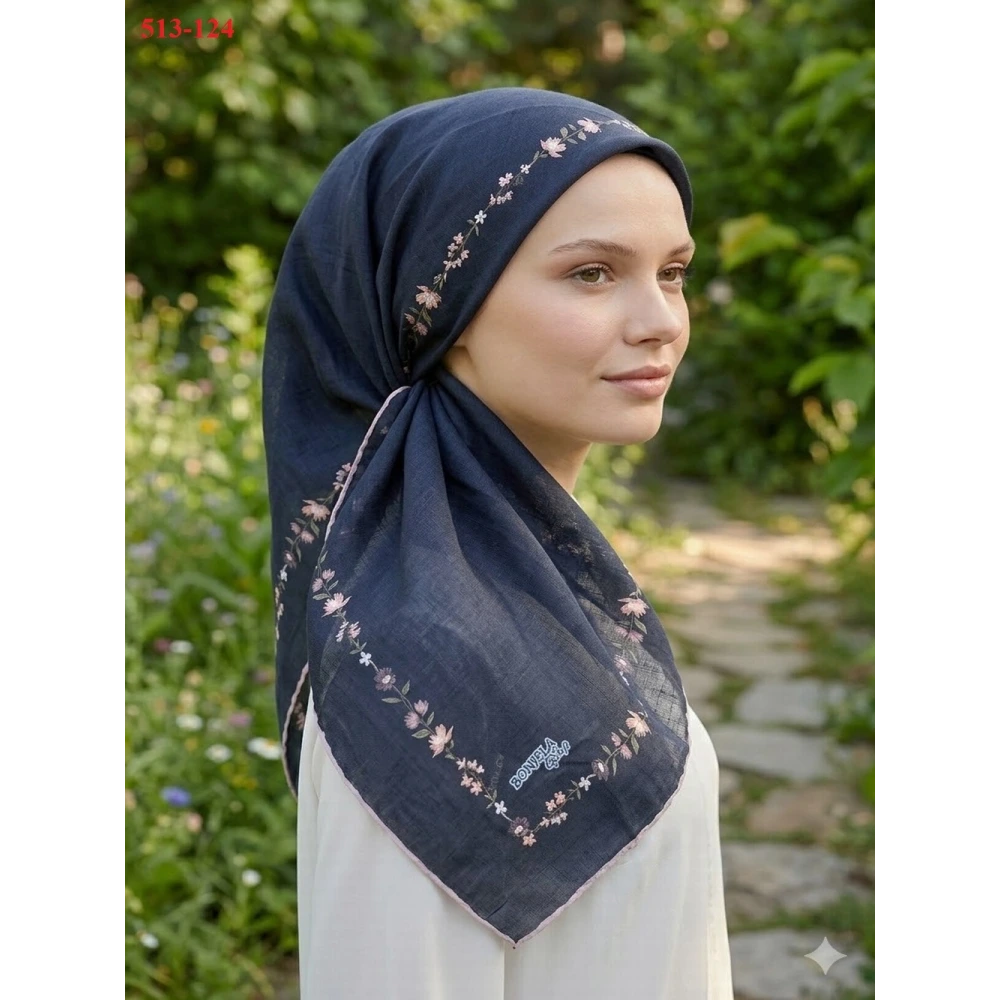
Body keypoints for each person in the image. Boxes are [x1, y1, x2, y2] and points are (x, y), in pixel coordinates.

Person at [262, 87, 734, 999]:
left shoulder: (536, 578)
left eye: (673, 272)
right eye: (592, 273)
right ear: (437, 304)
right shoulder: (422, 661)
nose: (661, 320)